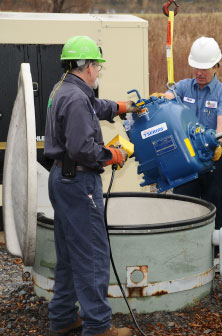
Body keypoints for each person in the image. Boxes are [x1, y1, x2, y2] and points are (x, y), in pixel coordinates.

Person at [44, 35, 139, 336]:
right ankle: (98, 326)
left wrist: (123, 107)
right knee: (93, 256)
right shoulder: (75, 98)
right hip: (80, 183)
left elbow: (94, 106)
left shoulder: (65, 89)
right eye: (97, 65)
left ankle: (62, 318)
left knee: (70, 254)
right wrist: (116, 154)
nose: (98, 70)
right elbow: (84, 149)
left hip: (63, 180)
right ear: (87, 66)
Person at [165, 36, 222, 258]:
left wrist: (216, 142)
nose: (199, 72)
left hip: (214, 160)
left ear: (216, 66)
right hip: (185, 162)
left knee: (216, 211)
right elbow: (166, 100)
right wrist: (159, 100)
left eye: (204, 68)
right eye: (196, 67)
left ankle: (212, 258)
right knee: (184, 208)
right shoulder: (183, 88)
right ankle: (185, 255)